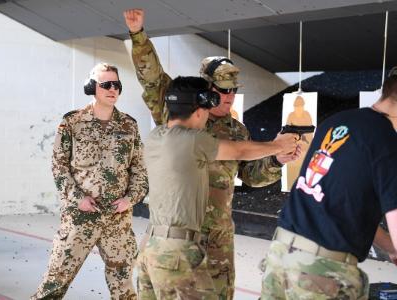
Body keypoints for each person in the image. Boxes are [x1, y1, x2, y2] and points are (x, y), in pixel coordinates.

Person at [123, 9, 301, 299]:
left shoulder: (238, 130)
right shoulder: (178, 113)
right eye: (222, 89)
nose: (229, 96)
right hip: (176, 232)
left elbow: (250, 175)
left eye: (233, 90)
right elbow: (153, 78)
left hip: (216, 237)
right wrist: (138, 36)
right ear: (205, 88)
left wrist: (276, 160)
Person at [138, 76, 297, 299]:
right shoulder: (192, 140)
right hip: (177, 252)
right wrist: (279, 145)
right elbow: (239, 151)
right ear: (200, 109)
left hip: (150, 244)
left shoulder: (156, 136)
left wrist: (275, 158)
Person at [260, 63, 397, 299]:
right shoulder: (389, 144)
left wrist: (391, 248)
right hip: (321, 275)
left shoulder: (336, 122)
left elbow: (339, 206)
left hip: (280, 258)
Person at [31, 63, 148, 300]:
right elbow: (59, 166)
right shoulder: (72, 122)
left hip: (117, 221)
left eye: (116, 84)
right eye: (106, 84)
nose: (112, 89)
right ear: (92, 88)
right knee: (54, 284)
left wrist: (130, 199)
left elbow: (140, 171)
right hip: (79, 219)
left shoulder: (129, 125)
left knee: (124, 288)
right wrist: (77, 199)